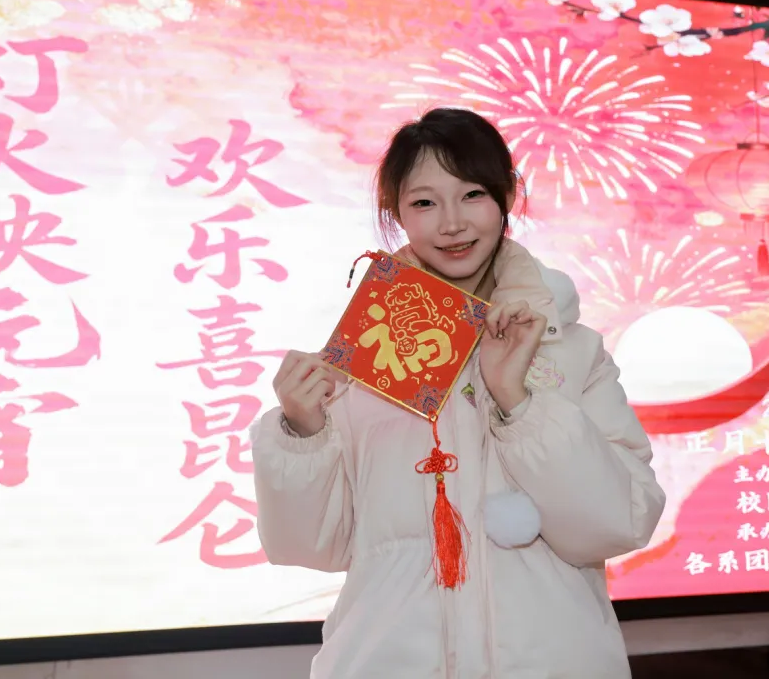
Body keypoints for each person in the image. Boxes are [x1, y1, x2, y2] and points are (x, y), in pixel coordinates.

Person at [250, 108, 666, 678]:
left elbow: (620, 523)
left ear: (507, 196)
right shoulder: (363, 356)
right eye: (424, 202)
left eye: (472, 194)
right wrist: (302, 434)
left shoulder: (571, 350)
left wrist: (519, 403)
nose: (451, 224)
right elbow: (311, 546)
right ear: (396, 213)